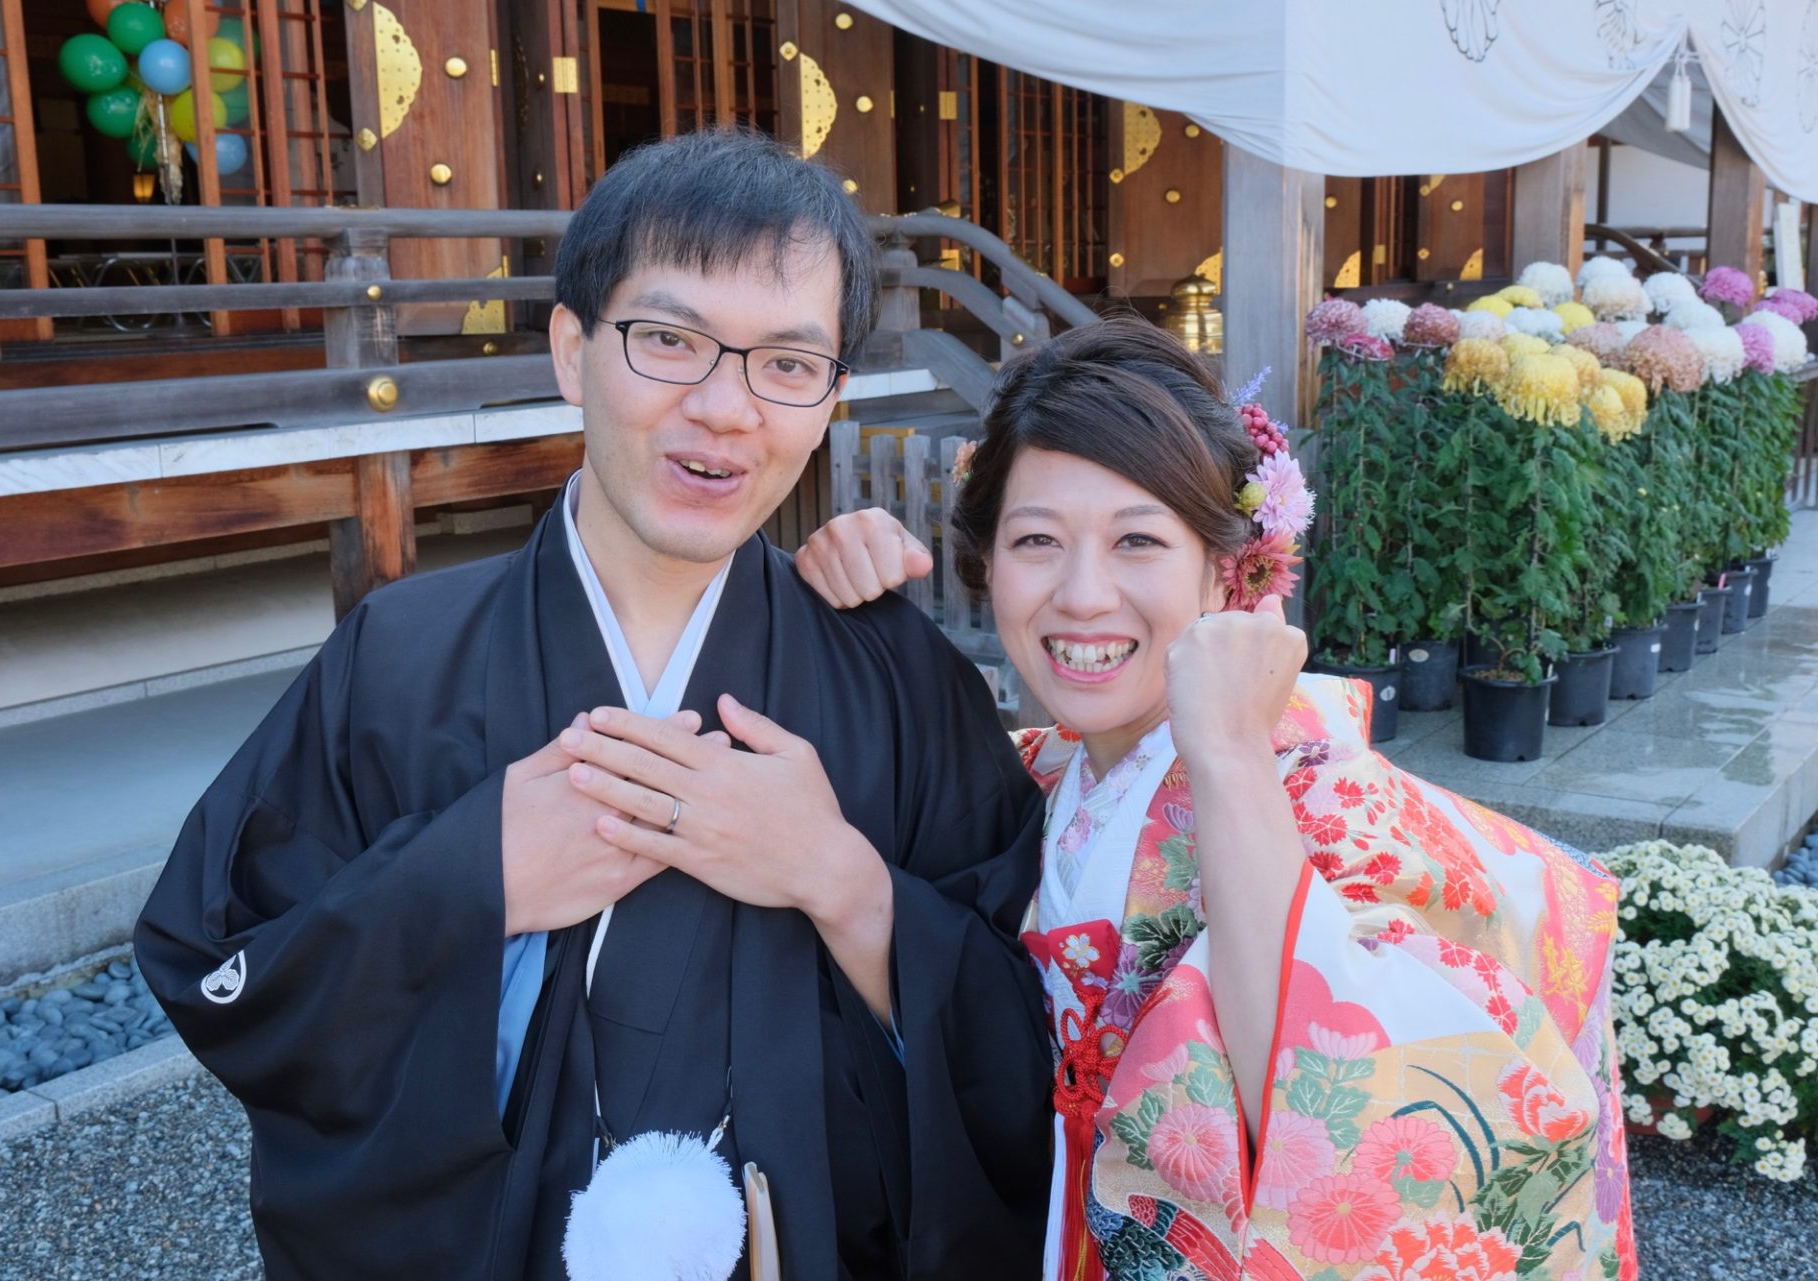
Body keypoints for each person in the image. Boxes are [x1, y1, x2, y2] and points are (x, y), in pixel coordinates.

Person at [134, 129, 1054, 1281]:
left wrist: (844, 883)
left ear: (829, 398)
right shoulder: (400, 662)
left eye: (785, 363)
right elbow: (220, 969)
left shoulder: (891, 675)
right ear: (571, 351)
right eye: (669, 341)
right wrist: (472, 878)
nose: (726, 408)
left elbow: (1029, 1032)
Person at [798, 315, 1638, 1280]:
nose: (1080, 595)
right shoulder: (1035, 771)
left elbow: (1335, 1112)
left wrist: (1233, 753)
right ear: (986, 562)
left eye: (1138, 541)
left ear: (1229, 569)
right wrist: (836, 605)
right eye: (1036, 540)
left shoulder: (1321, 802)